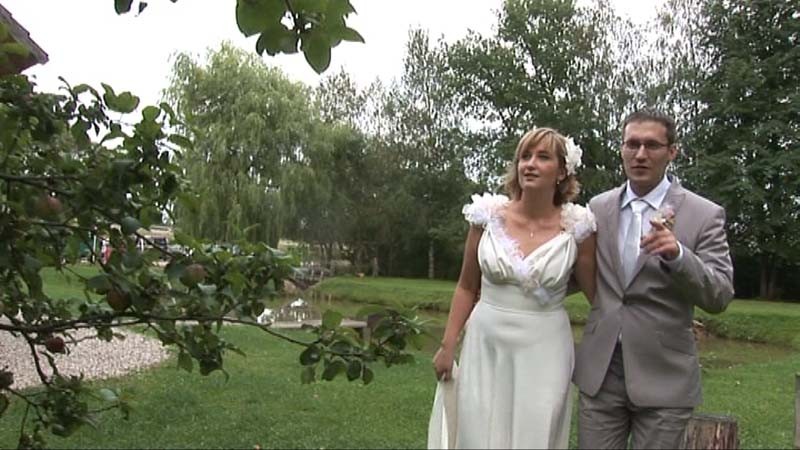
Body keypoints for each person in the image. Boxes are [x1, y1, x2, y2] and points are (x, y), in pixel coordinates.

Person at [573, 109, 735, 449]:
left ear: (672, 152)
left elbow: (720, 293)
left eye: (652, 145)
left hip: (665, 377)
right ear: (621, 148)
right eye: (632, 144)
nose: (640, 154)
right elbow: (575, 271)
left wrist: (679, 256)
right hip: (601, 372)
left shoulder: (704, 214)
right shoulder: (598, 208)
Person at [428, 127, 597, 449]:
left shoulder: (578, 227)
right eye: (525, 156)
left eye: (542, 157)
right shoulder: (486, 218)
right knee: (479, 433)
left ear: (562, 172)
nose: (530, 164)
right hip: (486, 342)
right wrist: (448, 345)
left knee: (537, 432)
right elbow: (466, 286)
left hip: (546, 346)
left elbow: (596, 296)